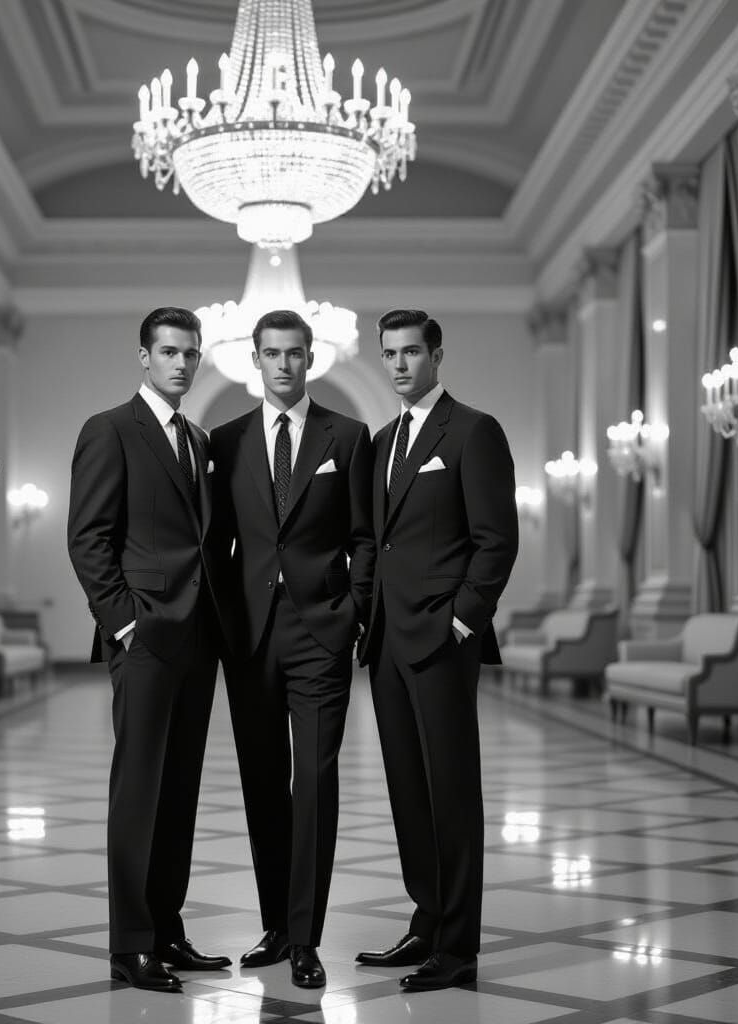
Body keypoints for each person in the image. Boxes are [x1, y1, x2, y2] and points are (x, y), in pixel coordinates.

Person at [67, 307, 231, 993]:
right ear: (144, 357)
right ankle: (131, 943)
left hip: (198, 638)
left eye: (191, 354)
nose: (182, 364)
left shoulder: (196, 436)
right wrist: (124, 624)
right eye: (169, 352)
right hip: (145, 636)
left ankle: (166, 928)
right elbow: (88, 538)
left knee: (180, 790)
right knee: (138, 791)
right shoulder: (109, 430)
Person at [209, 309, 375, 989]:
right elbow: (215, 542)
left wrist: (353, 612)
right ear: (255, 358)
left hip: (320, 631)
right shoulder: (225, 440)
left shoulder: (349, 435)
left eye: (295, 354)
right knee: (262, 788)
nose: (284, 365)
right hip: (248, 636)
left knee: (314, 782)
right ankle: (276, 926)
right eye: (272, 354)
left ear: (312, 359)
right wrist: (220, 620)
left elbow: (365, 536)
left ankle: (306, 938)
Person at [356, 308, 518, 991]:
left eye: (411, 352)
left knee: (452, 793)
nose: (398, 364)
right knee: (407, 791)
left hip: (442, 641)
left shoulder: (474, 431)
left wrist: (463, 624)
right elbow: (374, 538)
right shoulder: (383, 438)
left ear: (436, 355)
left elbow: (496, 540)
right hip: (389, 640)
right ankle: (426, 918)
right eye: (389, 353)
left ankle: (458, 946)